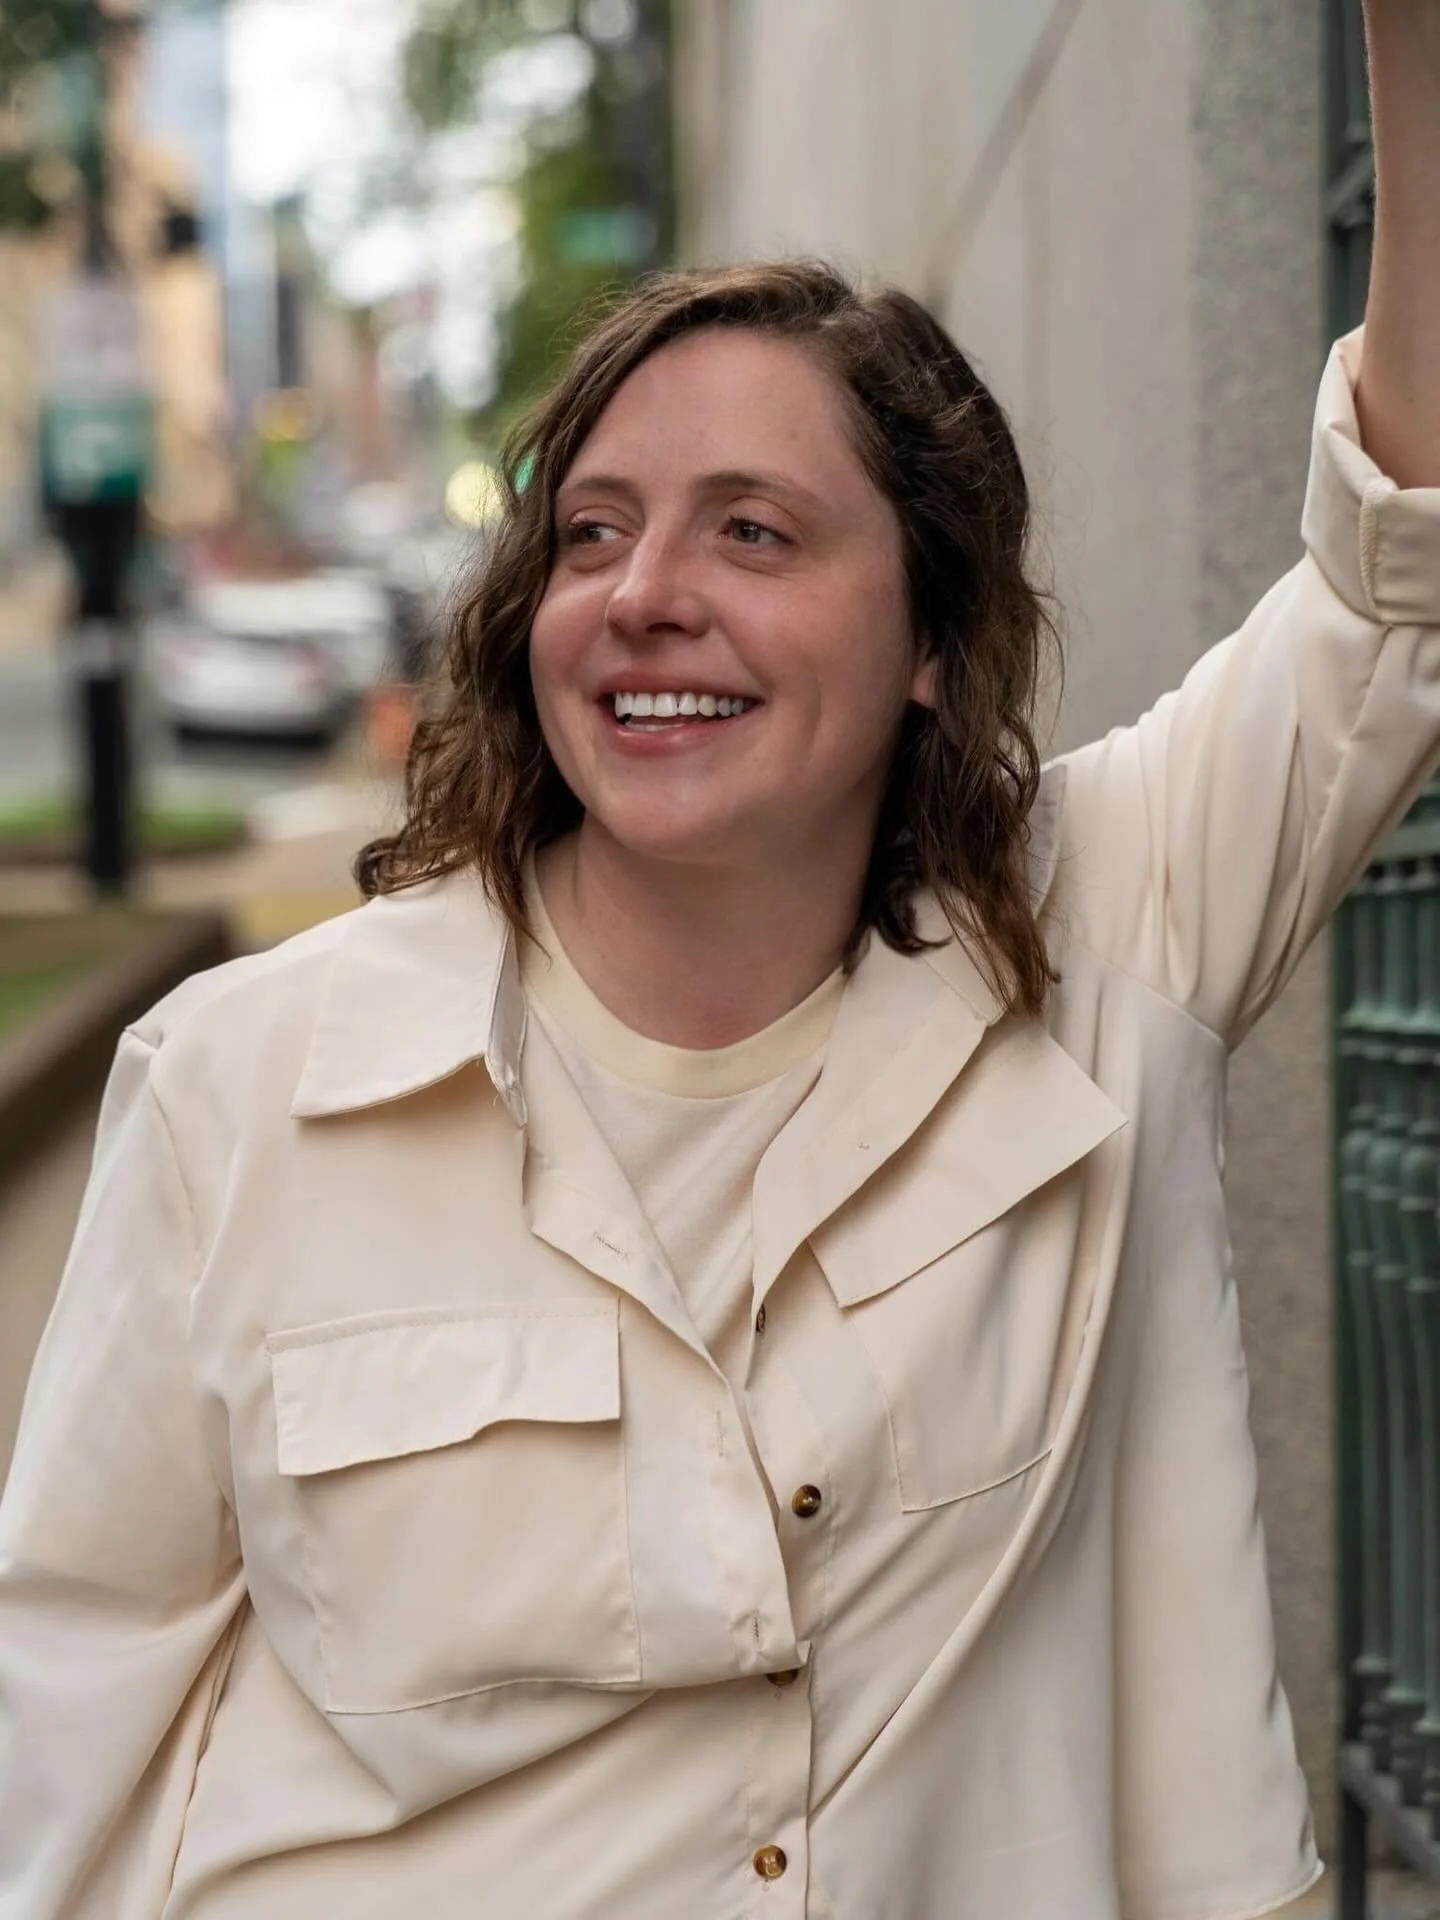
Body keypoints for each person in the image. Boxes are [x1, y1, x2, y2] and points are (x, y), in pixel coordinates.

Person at [3, 4, 1439, 1913]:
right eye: (592, 531)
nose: (643, 591)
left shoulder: (1112, 938)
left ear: (934, 635)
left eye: (753, 530)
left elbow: (1401, 552)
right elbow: (62, 1730)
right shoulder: (237, 1086)